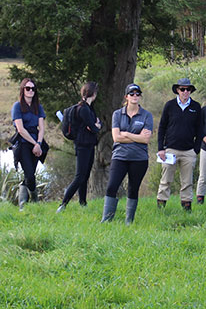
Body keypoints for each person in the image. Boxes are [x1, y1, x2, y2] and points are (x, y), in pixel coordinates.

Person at [102, 83, 153, 224]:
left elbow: (146, 139)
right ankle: (106, 220)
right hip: (120, 156)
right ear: (126, 97)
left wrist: (126, 134)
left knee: (133, 188)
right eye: (132, 94)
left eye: (137, 94)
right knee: (112, 186)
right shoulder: (117, 114)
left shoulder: (146, 115)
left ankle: (128, 222)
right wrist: (136, 137)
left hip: (139, 158)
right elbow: (116, 137)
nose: (135, 96)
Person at [156, 77, 201, 210]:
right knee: (165, 180)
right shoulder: (169, 105)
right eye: (182, 89)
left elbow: (200, 130)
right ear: (177, 90)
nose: (185, 92)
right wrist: (161, 148)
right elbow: (162, 127)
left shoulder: (196, 107)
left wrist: (196, 149)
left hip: (188, 151)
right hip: (170, 150)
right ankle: (161, 207)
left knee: (187, 182)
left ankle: (186, 208)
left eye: (188, 89)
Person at [58, 81, 101, 211]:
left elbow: (94, 126)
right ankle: (63, 204)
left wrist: (96, 126)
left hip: (89, 145)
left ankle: (83, 202)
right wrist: (97, 126)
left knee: (85, 175)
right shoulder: (83, 109)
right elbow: (94, 127)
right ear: (93, 94)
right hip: (82, 145)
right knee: (80, 176)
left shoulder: (89, 108)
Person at [11, 78, 46, 210]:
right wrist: (34, 143)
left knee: (30, 175)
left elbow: (41, 127)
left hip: (36, 142)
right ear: (22, 90)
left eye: (33, 89)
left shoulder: (39, 107)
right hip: (23, 143)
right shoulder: (17, 106)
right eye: (27, 88)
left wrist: (39, 143)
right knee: (29, 174)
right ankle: (30, 201)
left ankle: (27, 205)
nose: (30, 91)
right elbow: (20, 129)